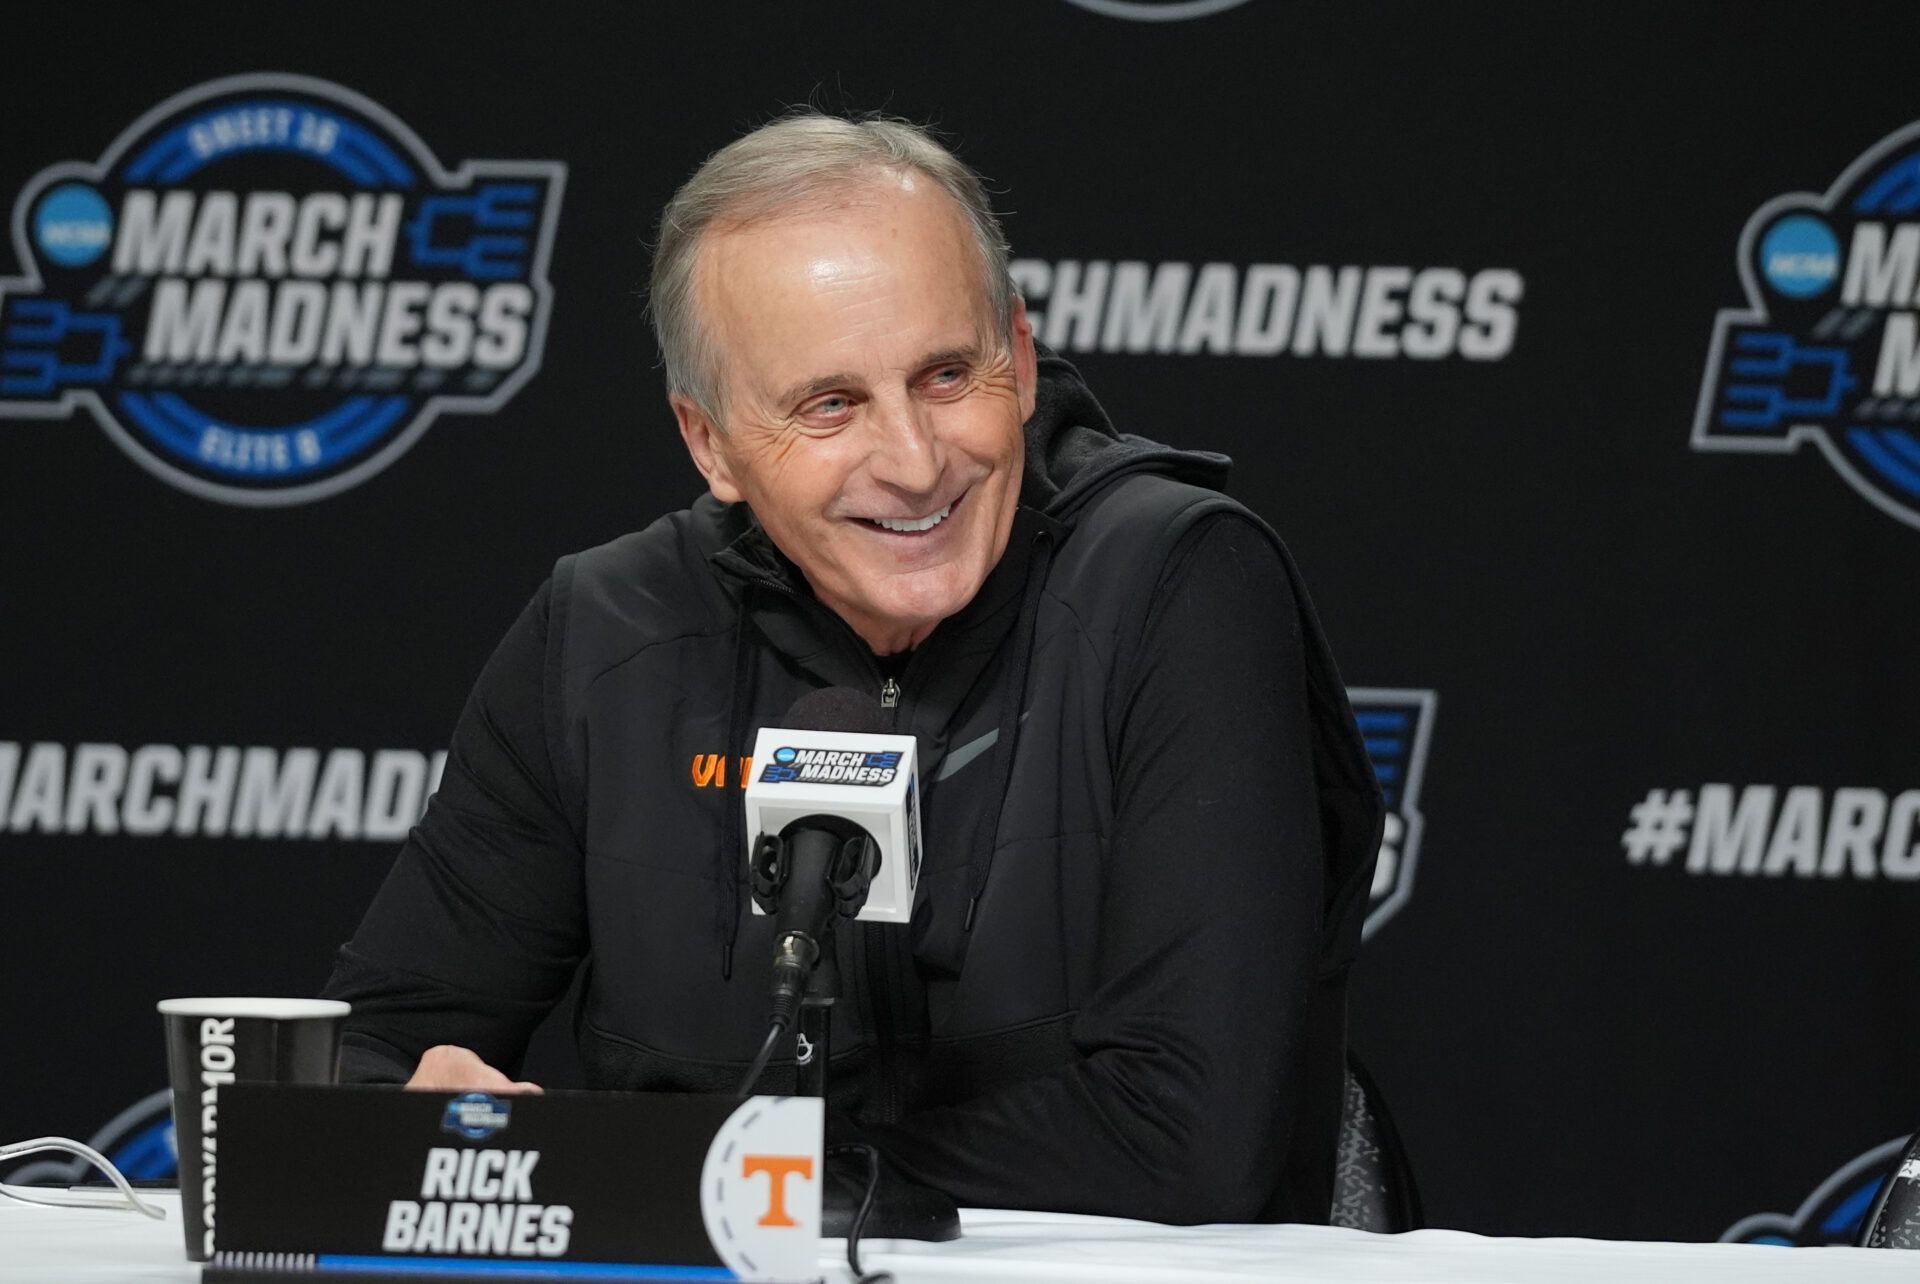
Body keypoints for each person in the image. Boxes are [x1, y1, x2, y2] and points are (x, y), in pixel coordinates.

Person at [322, 113, 1381, 1226]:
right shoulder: (604, 634)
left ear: (1021, 362)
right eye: (830, 406)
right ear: (710, 442)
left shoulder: (1177, 583)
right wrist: (416, 1111)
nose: (915, 464)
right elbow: (367, 1054)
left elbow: (1190, 1140)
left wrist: (700, 1174)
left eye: (947, 376)